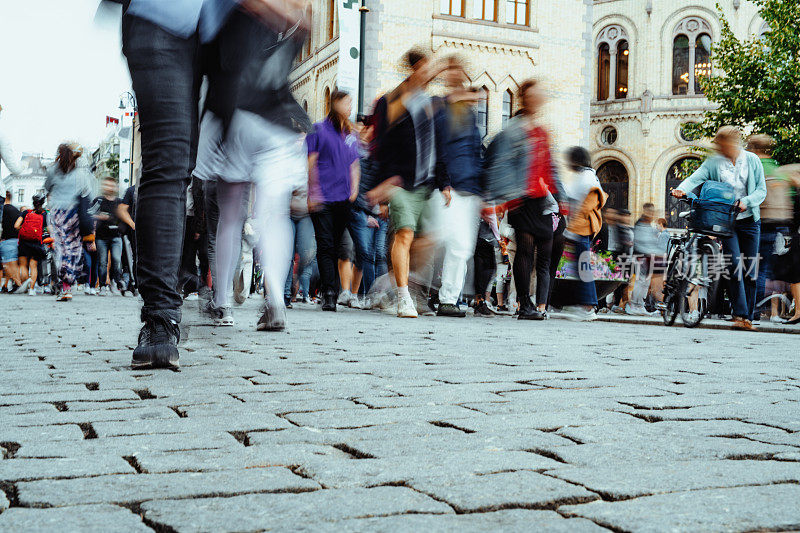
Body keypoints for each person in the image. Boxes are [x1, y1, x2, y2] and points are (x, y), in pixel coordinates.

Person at [121, 0, 309, 369]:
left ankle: (226, 299)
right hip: (165, 16)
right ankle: (161, 318)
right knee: (170, 162)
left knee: (219, 194)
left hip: (225, 36)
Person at [367, 49, 451, 318]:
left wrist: (444, 182)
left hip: (426, 185)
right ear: (413, 70)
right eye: (424, 69)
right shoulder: (391, 101)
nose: (428, 74)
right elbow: (378, 143)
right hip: (399, 182)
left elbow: (436, 148)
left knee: (428, 242)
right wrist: (381, 184)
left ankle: (387, 283)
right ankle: (404, 298)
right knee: (405, 234)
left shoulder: (429, 105)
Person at [483, 79, 565, 320]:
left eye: (541, 94)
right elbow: (499, 161)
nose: (539, 98)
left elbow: (551, 165)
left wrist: (561, 196)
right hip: (523, 197)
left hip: (542, 199)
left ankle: (532, 303)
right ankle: (524, 304)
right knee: (526, 252)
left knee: (541, 253)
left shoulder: (540, 130)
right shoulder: (515, 128)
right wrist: (505, 194)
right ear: (525, 98)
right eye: (534, 94)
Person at [672, 126, 767, 330]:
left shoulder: (752, 160)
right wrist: (681, 189)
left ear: (734, 143)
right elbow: (696, 177)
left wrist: (747, 201)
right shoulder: (714, 162)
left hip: (750, 220)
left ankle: (747, 318)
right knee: (734, 265)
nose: (722, 149)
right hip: (727, 221)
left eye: (725, 145)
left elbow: (761, 190)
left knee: (750, 270)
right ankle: (739, 313)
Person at [433, 57, 484, 318]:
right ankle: (431, 291)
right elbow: (438, 149)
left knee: (461, 247)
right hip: (448, 187)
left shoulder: (468, 114)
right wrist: (443, 182)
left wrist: (481, 190)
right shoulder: (440, 109)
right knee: (442, 239)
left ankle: (448, 298)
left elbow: (476, 151)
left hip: (468, 188)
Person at [306, 90, 365, 311]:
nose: (350, 106)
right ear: (335, 103)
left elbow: (354, 164)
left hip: (343, 199)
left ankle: (329, 288)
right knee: (325, 245)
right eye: (347, 102)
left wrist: (355, 188)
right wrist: (312, 193)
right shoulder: (319, 129)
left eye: (351, 102)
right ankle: (330, 293)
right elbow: (311, 162)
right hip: (322, 197)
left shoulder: (351, 133)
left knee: (337, 246)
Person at [748, 135, 793, 321]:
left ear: (753, 149)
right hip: (775, 224)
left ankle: (749, 311)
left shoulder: (754, 167)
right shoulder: (778, 170)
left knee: (749, 267)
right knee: (762, 269)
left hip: (755, 222)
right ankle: (757, 310)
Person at [561, 146, 607, 320]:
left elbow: (575, 199)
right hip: (585, 227)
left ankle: (587, 307)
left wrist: (570, 231)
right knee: (583, 266)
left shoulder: (584, 177)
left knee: (583, 267)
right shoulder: (590, 175)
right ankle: (586, 304)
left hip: (581, 227)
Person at [45, 143, 95, 302]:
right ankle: (69, 282)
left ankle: (64, 286)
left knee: (62, 249)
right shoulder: (81, 173)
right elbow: (88, 194)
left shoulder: (53, 170)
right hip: (74, 214)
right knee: (73, 249)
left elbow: (47, 188)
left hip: (59, 214)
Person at [627, 203, 662, 316]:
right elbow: (641, 242)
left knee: (645, 283)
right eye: (650, 211)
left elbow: (651, 242)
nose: (652, 214)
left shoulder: (648, 226)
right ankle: (634, 305)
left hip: (647, 258)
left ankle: (640, 305)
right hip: (640, 257)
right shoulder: (640, 224)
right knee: (640, 281)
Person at [93, 177, 124, 296]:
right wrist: (99, 216)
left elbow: (124, 215)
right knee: (102, 262)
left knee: (116, 260)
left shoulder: (119, 202)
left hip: (116, 236)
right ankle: (102, 286)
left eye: (111, 185)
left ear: (115, 187)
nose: (108, 187)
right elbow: (90, 213)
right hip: (101, 237)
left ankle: (114, 283)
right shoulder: (98, 200)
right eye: (106, 185)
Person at [17, 194, 49, 296]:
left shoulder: (26, 212)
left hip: (23, 242)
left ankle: (26, 282)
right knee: (33, 266)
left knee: (23, 265)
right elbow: (49, 229)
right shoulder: (44, 215)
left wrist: (25, 230)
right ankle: (31, 289)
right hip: (36, 243)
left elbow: (16, 225)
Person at [1, 191, 23, 292]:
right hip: (16, 239)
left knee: (8, 264)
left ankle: (19, 284)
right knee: (13, 264)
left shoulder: (3, 209)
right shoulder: (16, 210)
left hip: (7, 240)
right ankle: (11, 285)